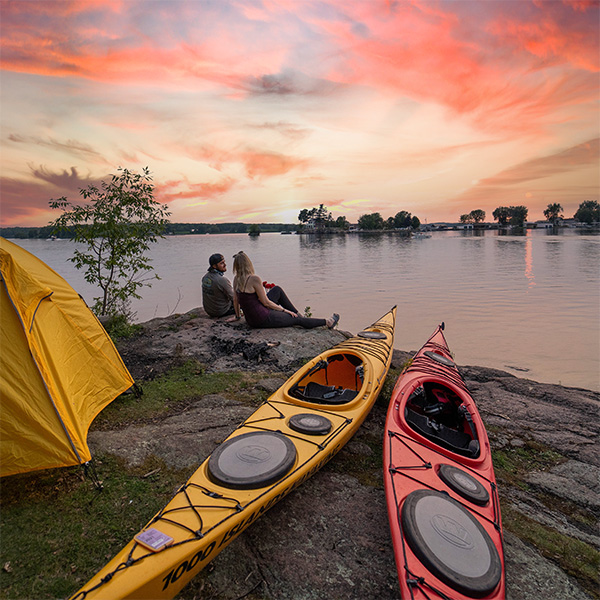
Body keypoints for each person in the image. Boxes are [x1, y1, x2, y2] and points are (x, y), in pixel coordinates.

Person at [232, 251, 339, 329]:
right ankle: (328, 322)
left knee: (276, 290)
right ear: (248, 263)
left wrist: (237, 316)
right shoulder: (254, 279)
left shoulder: (236, 279)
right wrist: (284, 310)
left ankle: (297, 313)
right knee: (296, 319)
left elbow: (235, 300)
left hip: (251, 319)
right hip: (262, 319)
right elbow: (265, 302)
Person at [202, 253, 235, 317]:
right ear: (214, 266)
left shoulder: (205, 277)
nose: (225, 265)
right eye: (222, 263)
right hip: (221, 311)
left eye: (224, 262)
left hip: (209, 311)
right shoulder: (222, 280)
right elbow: (234, 298)